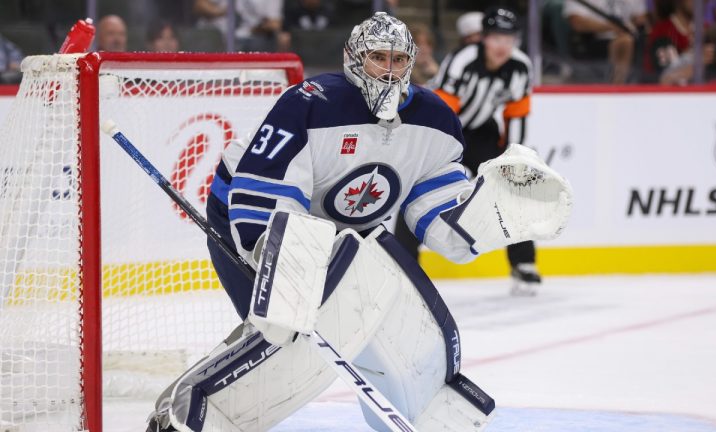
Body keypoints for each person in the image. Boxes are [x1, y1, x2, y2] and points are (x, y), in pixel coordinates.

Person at [145, 11, 570, 432]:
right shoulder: (310, 102)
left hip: (347, 234)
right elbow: (265, 192)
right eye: (378, 58)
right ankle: (188, 414)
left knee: (379, 315)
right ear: (352, 58)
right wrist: (290, 270)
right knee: (284, 339)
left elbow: (437, 217)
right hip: (244, 212)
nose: (388, 70)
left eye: (398, 60)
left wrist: (491, 215)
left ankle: (427, 409)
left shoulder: (435, 120)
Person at [414, 7, 542, 295]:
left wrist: (514, 156)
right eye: (496, 38)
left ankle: (524, 262)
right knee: (422, 190)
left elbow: (516, 115)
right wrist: (435, 154)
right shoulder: (462, 61)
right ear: (483, 39)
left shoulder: (520, 66)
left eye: (509, 39)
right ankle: (406, 260)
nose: (503, 46)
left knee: (511, 186)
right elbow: (442, 111)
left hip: (481, 132)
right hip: (446, 130)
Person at [563, 0, 647, 83]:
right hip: (593, 41)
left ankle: (623, 85)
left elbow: (641, 18)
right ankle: (617, 87)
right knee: (625, 42)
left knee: (628, 41)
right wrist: (611, 27)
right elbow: (576, 22)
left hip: (630, 38)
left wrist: (632, 25)